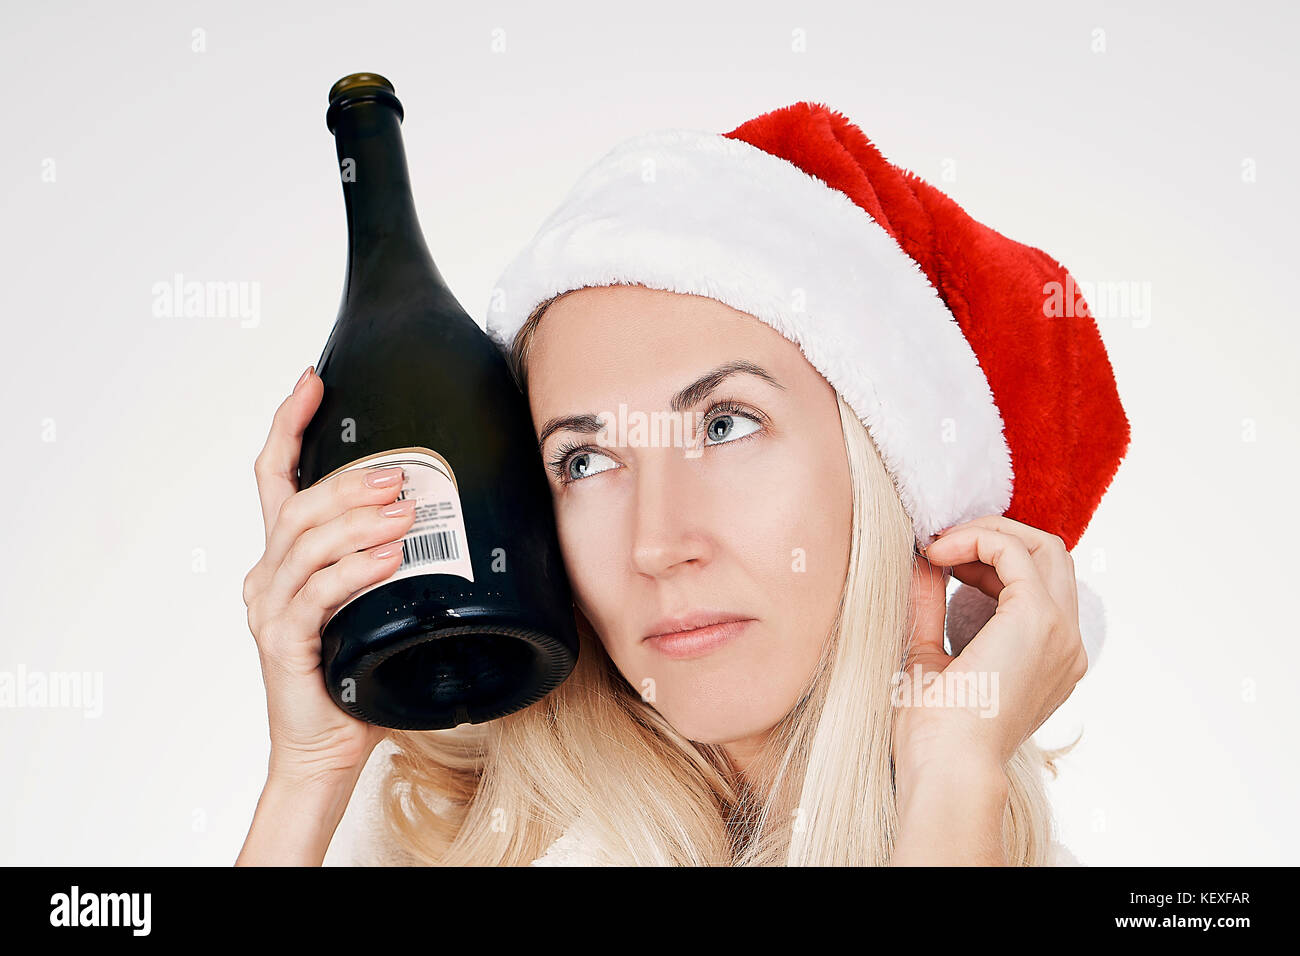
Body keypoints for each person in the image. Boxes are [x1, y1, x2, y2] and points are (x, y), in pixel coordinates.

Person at [238, 101, 1129, 866]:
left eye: (724, 425)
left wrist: (952, 774)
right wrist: (306, 780)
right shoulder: (443, 830)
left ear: (893, 476)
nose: (659, 545)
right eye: (586, 462)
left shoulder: (976, 828)